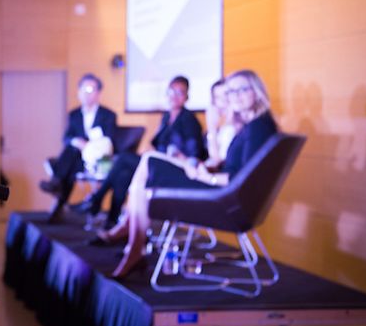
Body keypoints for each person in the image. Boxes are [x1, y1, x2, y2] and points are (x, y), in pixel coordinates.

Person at [99, 70, 278, 279]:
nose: (236, 96)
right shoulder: (253, 125)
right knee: (148, 162)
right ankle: (132, 244)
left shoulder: (258, 128)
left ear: (256, 91)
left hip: (226, 198)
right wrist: (206, 169)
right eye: (231, 91)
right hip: (221, 188)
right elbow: (236, 167)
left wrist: (205, 176)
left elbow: (241, 179)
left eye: (243, 89)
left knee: (149, 164)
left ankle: (132, 243)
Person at [73, 75, 205, 229]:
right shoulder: (167, 117)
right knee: (123, 174)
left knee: (123, 158)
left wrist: (175, 154)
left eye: (180, 92)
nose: (174, 96)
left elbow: (193, 155)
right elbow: (158, 145)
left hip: (174, 169)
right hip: (159, 163)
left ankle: (96, 199)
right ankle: (111, 222)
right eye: (171, 91)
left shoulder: (189, 120)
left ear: (186, 97)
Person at [39, 73, 117, 222]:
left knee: (69, 163)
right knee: (72, 150)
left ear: (98, 93)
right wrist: (76, 142)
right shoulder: (74, 115)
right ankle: (58, 187)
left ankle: (57, 184)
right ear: (78, 92)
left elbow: (109, 141)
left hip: (99, 160)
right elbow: (67, 138)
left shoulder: (108, 115)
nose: (86, 94)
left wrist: (89, 145)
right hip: (78, 159)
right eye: (83, 89)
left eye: (90, 90)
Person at [205, 78, 237, 169]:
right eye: (218, 97)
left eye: (226, 94)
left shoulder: (235, 126)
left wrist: (212, 127)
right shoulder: (220, 124)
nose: (223, 100)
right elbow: (213, 157)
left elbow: (218, 159)